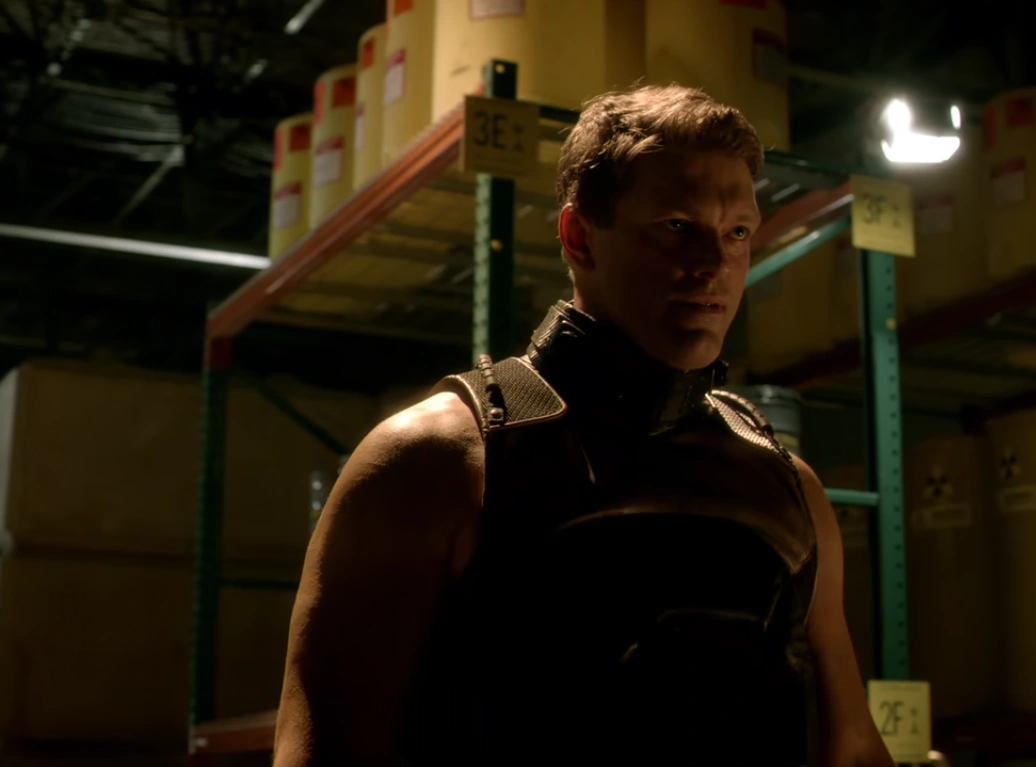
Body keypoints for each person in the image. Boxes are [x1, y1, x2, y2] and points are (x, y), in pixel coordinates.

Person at [273, 84, 894, 767]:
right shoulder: (434, 460)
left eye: (737, 232)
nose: (714, 263)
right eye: (676, 226)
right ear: (579, 237)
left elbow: (853, 748)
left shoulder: (788, 487)